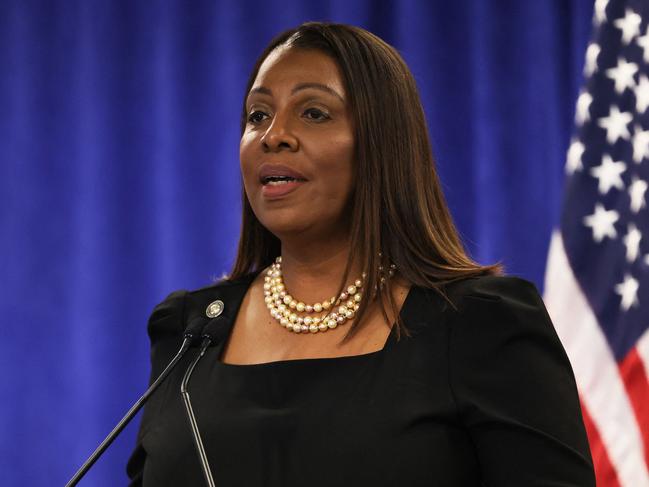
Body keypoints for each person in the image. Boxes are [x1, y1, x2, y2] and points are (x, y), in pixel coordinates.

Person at [127, 22, 595, 486]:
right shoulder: (188, 331)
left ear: (383, 143)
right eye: (257, 116)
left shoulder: (480, 323)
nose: (274, 135)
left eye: (313, 113)